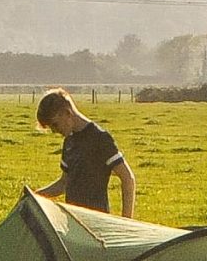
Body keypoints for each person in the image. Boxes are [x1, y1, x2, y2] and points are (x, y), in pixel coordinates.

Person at [34, 87, 135, 216]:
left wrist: (126, 222)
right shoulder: (69, 141)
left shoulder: (100, 138)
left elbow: (127, 178)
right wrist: (36, 195)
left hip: (96, 221)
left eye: (55, 124)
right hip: (73, 220)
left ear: (67, 113)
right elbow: (64, 183)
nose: (54, 131)